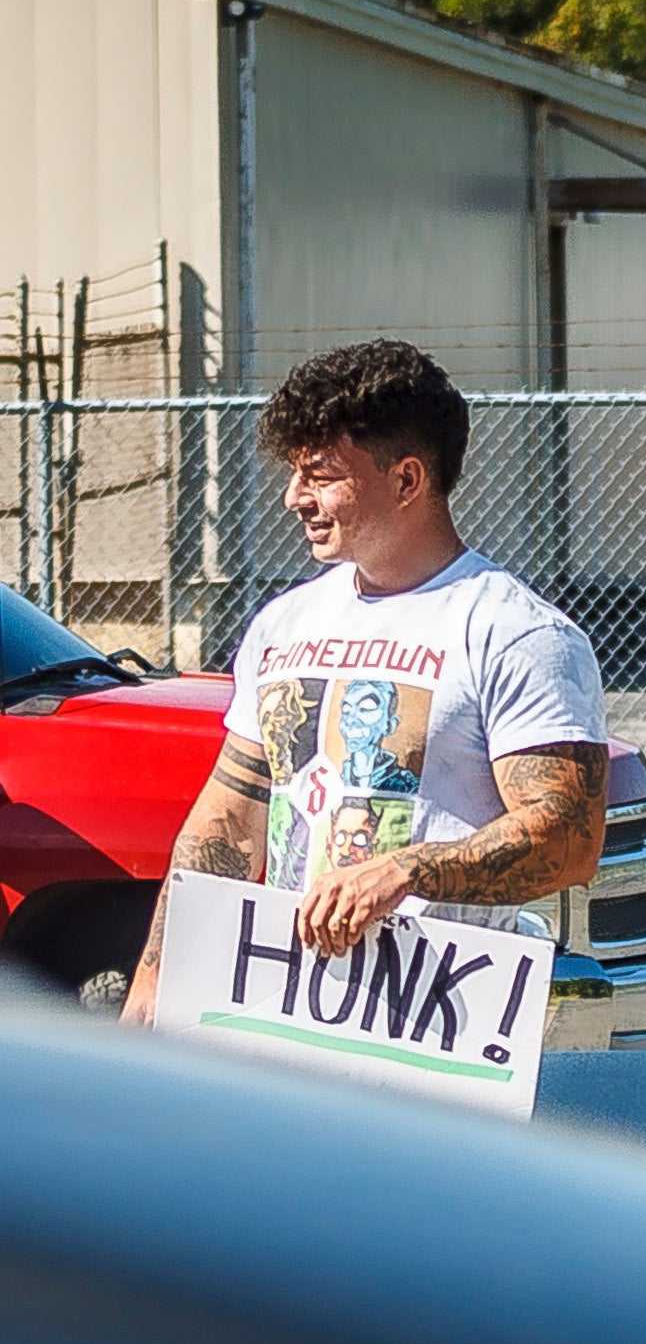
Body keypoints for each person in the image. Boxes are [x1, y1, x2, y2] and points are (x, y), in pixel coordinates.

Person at [126, 339, 610, 1017]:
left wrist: (405, 869)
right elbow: (230, 821)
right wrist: (156, 977)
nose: (294, 497)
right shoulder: (283, 624)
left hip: (444, 1019)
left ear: (407, 481)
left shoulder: (516, 632)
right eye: (296, 474)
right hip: (289, 1005)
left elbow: (568, 840)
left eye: (320, 475)